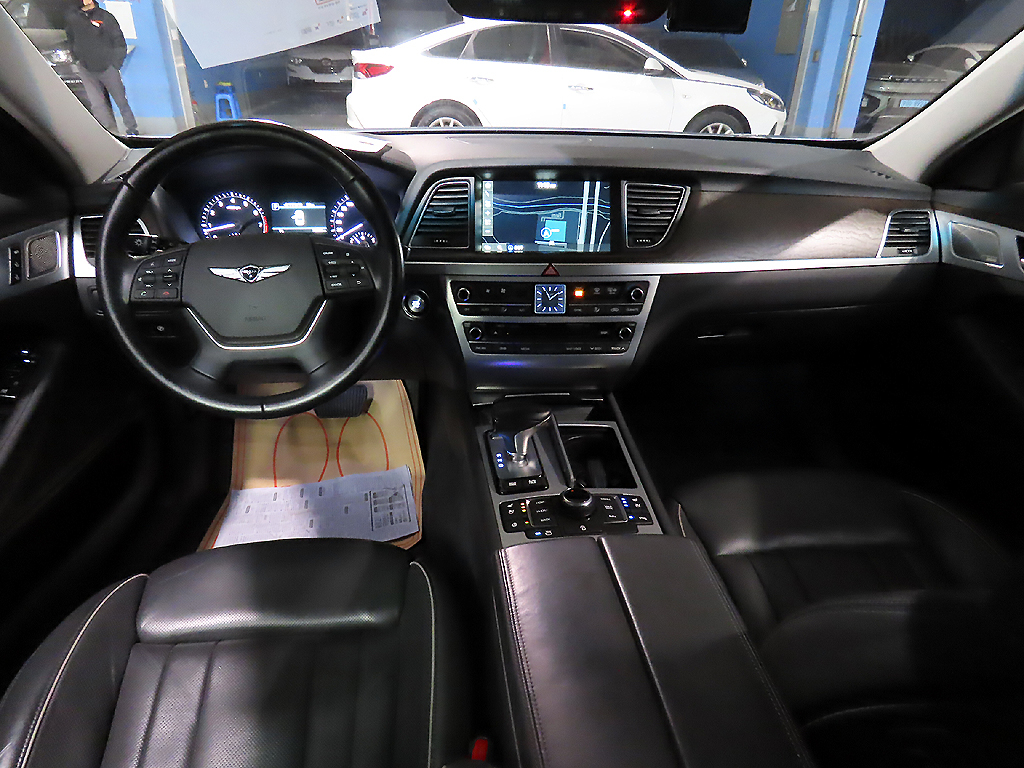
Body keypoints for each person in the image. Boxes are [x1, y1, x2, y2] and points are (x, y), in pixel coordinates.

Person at [64, 0, 137, 135]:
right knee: (97, 104)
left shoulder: (105, 17)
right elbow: (70, 39)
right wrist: (77, 60)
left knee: (120, 100)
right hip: (86, 69)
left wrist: (115, 65)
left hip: (108, 68)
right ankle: (108, 132)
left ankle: (132, 129)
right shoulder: (73, 19)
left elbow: (119, 41)